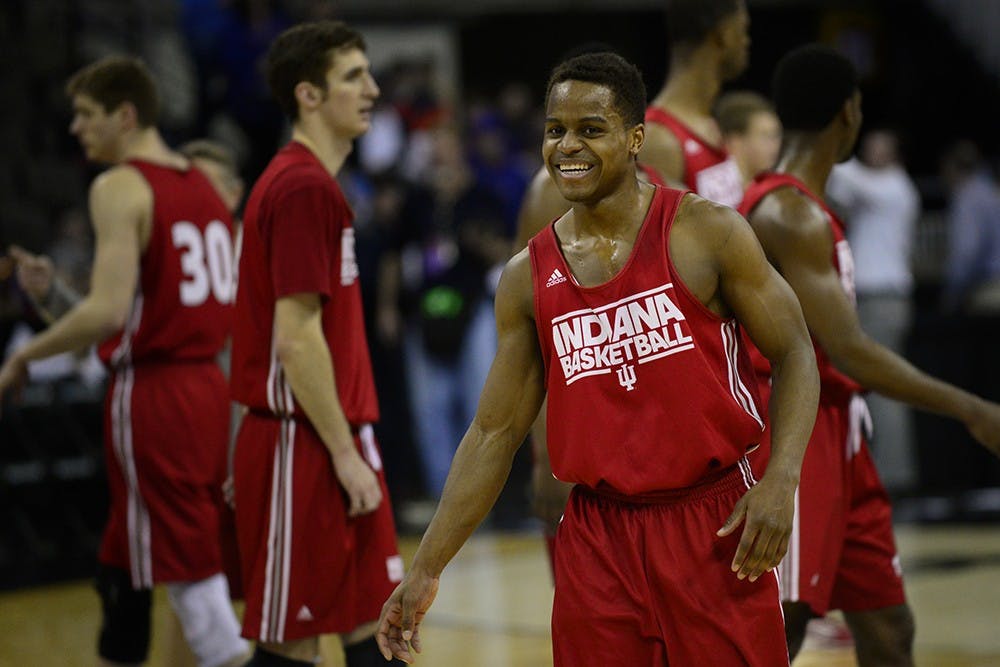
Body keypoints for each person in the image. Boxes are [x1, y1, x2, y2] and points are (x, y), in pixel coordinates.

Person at [377, 51, 820, 666]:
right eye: (555, 130)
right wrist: (425, 568)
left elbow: (797, 350)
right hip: (596, 538)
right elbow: (493, 431)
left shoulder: (706, 232)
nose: (567, 147)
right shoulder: (525, 278)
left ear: (636, 137)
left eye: (590, 129)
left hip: (712, 524)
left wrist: (783, 479)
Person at [737, 44, 1000, 665]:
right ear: (849, 113)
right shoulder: (786, 212)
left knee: (888, 627)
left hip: (845, 436)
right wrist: (971, 408)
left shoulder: (810, 207)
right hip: (799, 434)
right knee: (783, 625)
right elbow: (848, 351)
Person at [0, 56, 249, 667]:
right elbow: (137, 310)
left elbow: (110, 316)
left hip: (156, 394)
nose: (75, 129)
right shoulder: (200, 185)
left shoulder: (118, 185)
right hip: (204, 395)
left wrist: (24, 356)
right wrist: (53, 296)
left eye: (86, 115)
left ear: (125, 115)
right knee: (124, 566)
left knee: (194, 580)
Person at [228, 20, 403, 667]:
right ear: (308, 94)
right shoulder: (301, 187)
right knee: (290, 643)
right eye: (354, 75)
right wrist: (343, 452)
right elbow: (296, 341)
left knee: (377, 625)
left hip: (335, 434)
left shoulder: (315, 185)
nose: (373, 89)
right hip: (301, 440)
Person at [826, 128, 921, 495]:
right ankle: (884, 473)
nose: (870, 154)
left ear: (896, 154)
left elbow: (839, 175)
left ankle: (894, 478)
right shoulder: (876, 189)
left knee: (885, 387)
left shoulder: (894, 187)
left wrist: (828, 139)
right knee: (879, 386)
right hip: (879, 297)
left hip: (882, 298)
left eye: (878, 148)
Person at [639, 0, 750, 207]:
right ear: (724, 34)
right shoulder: (658, 140)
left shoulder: (709, 122)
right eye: (743, 30)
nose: (746, 41)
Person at [713, 89, 782, 189]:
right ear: (736, 142)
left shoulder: (776, 182)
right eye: (765, 136)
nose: (774, 145)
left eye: (776, 135)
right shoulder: (714, 188)